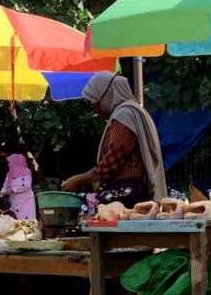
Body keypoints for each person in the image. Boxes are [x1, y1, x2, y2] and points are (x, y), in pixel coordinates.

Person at [60, 72, 167, 207]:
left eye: (96, 102)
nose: (96, 107)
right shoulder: (134, 111)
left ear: (106, 96)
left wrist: (78, 180)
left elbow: (113, 160)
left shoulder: (124, 115)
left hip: (128, 191)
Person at [0, 153, 37, 220]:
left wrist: (13, 189)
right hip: (13, 201)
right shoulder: (9, 174)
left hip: (25, 201)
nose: (9, 165)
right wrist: (2, 193)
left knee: (26, 221)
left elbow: (27, 184)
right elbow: (5, 185)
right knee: (15, 221)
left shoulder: (27, 172)